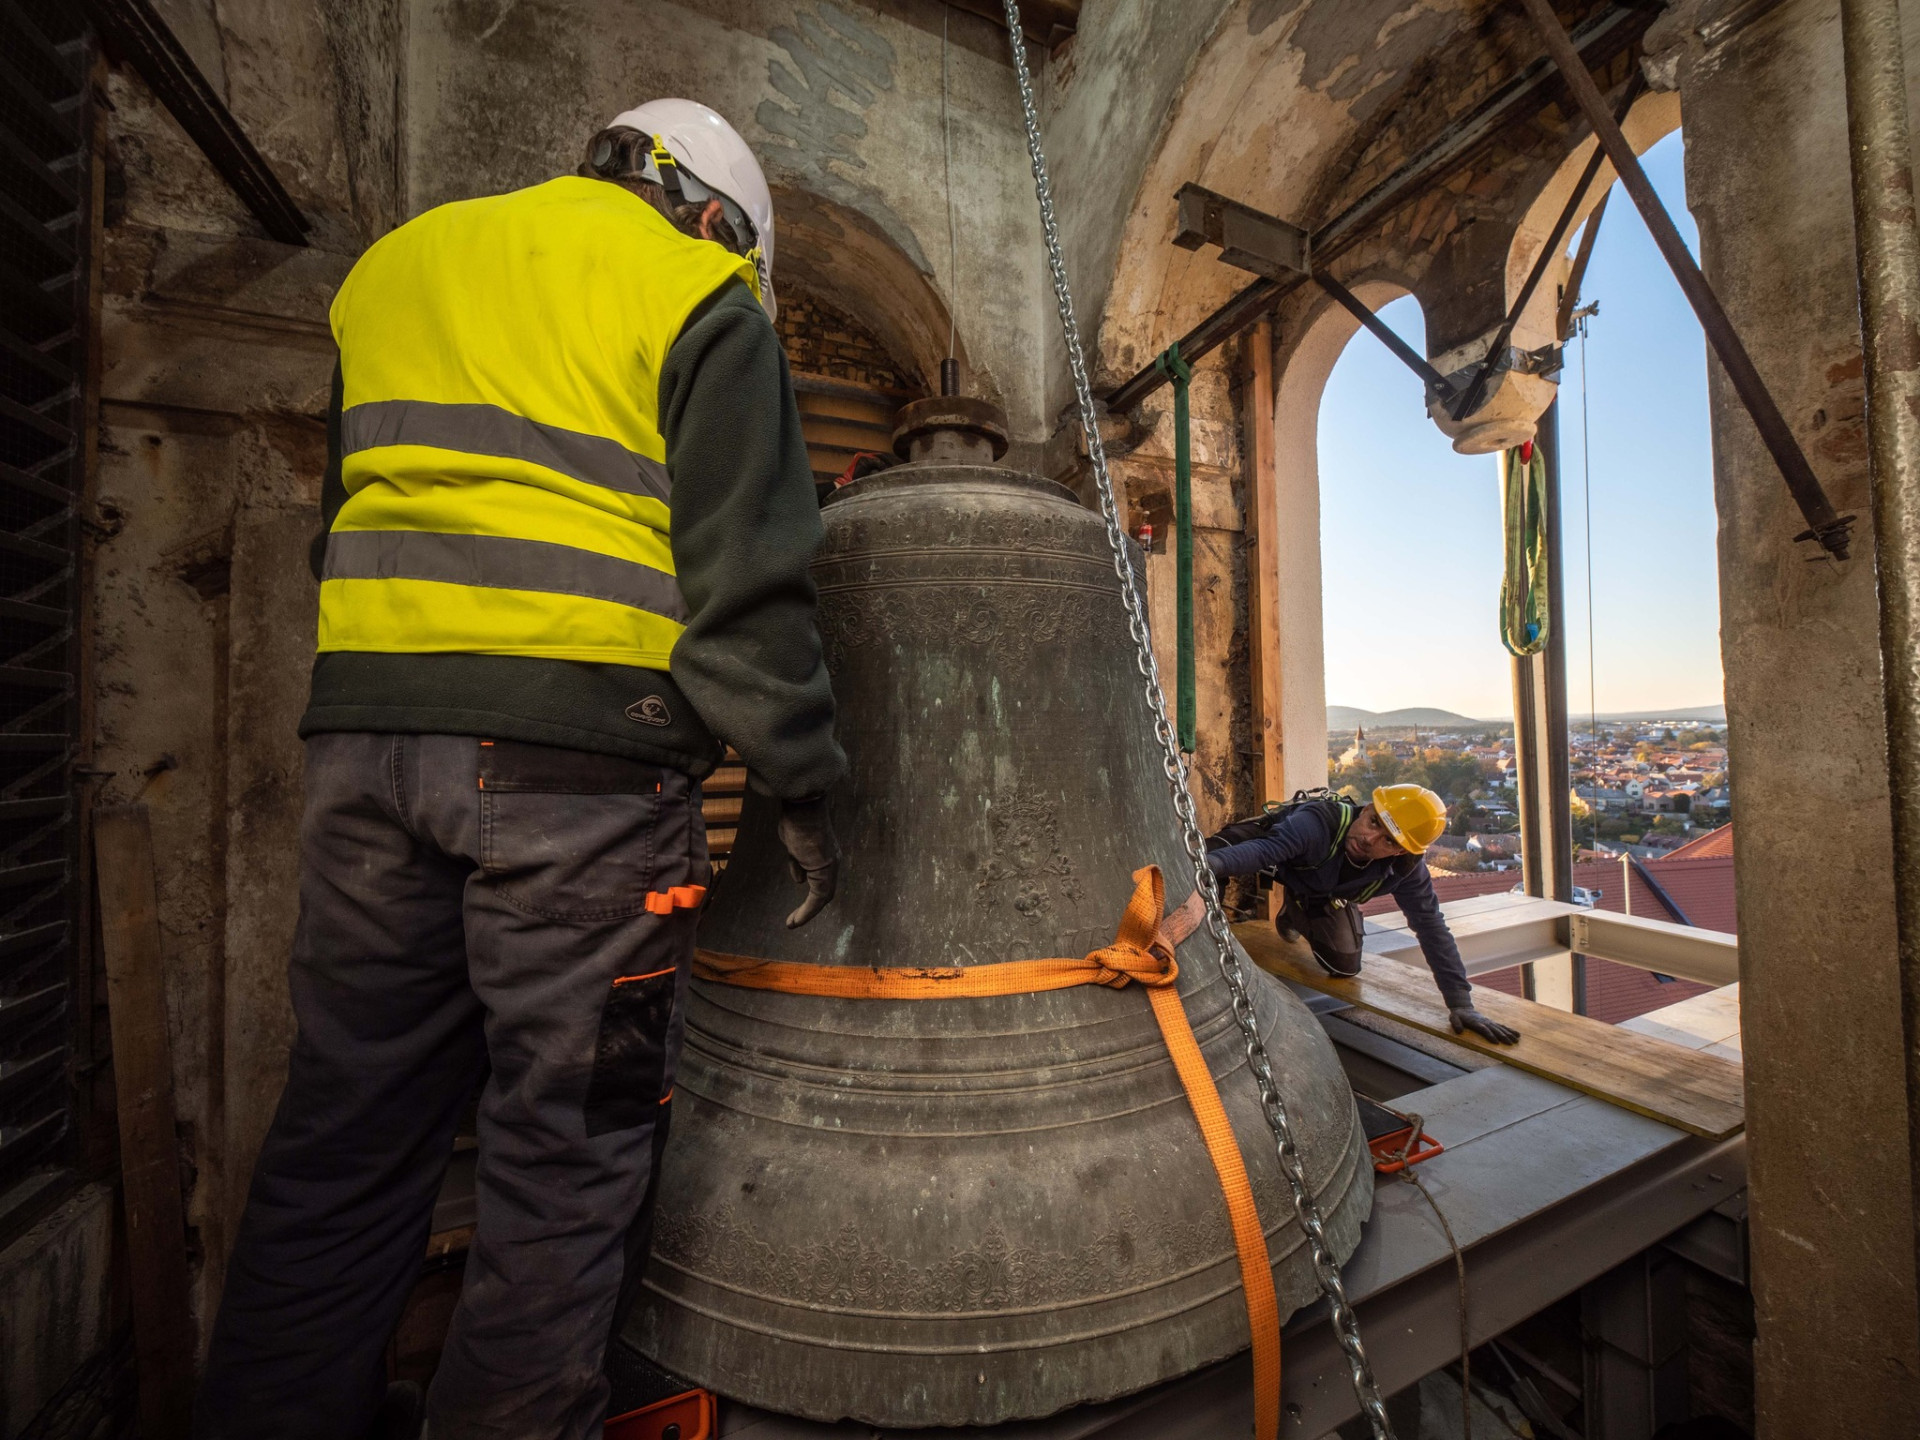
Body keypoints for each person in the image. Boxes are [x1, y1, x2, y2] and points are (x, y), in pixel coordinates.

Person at [194, 101, 845, 1440]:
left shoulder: (404, 267)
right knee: (567, 1155)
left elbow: (347, 516)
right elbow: (750, 585)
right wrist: (803, 780)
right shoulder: (701, 293)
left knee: (346, 1134)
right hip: (579, 780)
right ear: (721, 220)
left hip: (366, 754)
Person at [1206, 784, 1521, 1045]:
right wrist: (1210, 865)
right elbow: (1263, 852)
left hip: (1317, 885)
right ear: (1367, 808)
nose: (1369, 839)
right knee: (1210, 857)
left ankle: (1298, 911)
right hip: (1274, 852)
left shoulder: (1405, 871)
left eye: (1388, 840)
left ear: (1401, 851)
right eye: (1373, 822)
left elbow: (1430, 926)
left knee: (1343, 964)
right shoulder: (1319, 823)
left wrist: (1460, 1002)